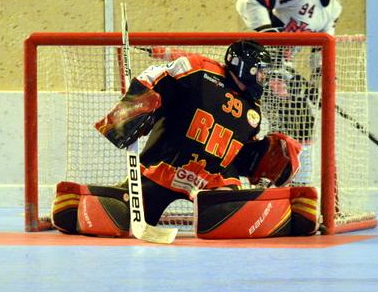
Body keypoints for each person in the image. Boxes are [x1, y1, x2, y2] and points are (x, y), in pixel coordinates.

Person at [89, 39, 302, 228]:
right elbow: (155, 74)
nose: (264, 78)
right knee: (119, 217)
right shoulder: (200, 70)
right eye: (261, 71)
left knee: (232, 224)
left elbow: (237, 155)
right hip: (162, 168)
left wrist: (259, 157)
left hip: (212, 180)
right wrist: (131, 110)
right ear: (247, 68)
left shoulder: (253, 111)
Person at [234, 0, 360, 182]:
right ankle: (270, 182)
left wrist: (319, 84)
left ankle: (299, 184)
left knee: (303, 122)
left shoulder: (334, 8)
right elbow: (248, 0)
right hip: (258, 68)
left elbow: (321, 50)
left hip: (283, 70)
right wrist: (266, 33)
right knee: (280, 126)